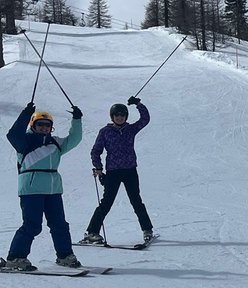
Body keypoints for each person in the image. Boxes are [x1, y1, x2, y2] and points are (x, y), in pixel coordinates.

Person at [4, 102, 83, 270]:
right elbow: (12, 135)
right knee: (32, 224)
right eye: (40, 124)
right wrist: (26, 114)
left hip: (53, 189)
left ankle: (65, 255)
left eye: (47, 125)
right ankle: (16, 257)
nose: (44, 128)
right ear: (33, 125)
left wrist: (77, 119)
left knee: (59, 224)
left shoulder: (55, 143)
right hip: (31, 189)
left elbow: (74, 139)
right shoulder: (24, 142)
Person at [81, 98, 154, 245]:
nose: (119, 117)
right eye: (116, 115)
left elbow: (145, 119)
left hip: (130, 171)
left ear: (126, 117)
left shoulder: (131, 129)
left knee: (136, 201)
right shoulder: (105, 132)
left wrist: (138, 104)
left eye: (122, 115)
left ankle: (147, 229)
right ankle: (92, 232)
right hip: (113, 172)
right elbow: (96, 151)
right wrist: (99, 168)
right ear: (112, 117)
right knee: (106, 202)